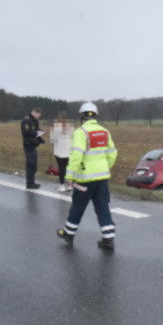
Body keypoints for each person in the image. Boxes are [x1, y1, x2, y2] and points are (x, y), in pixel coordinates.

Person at [56, 102, 118, 249]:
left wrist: (69, 177)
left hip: (84, 179)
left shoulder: (81, 132)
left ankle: (68, 234)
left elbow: (76, 156)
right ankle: (108, 238)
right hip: (102, 178)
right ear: (95, 115)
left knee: (77, 206)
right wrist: (105, 167)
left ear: (82, 116)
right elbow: (112, 153)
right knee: (102, 207)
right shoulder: (105, 132)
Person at [20, 107, 45, 189]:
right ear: (34, 112)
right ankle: (29, 184)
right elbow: (26, 132)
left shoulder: (35, 120)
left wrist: (41, 134)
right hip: (28, 145)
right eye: (38, 115)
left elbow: (37, 129)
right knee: (30, 165)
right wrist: (37, 133)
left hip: (33, 145)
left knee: (34, 165)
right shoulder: (26, 120)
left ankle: (32, 182)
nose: (39, 117)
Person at [50, 115, 74, 192]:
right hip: (69, 152)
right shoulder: (71, 127)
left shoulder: (56, 128)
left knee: (61, 168)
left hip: (59, 152)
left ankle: (62, 185)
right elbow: (73, 139)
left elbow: (52, 140)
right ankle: (69, 185)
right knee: (69, 168)